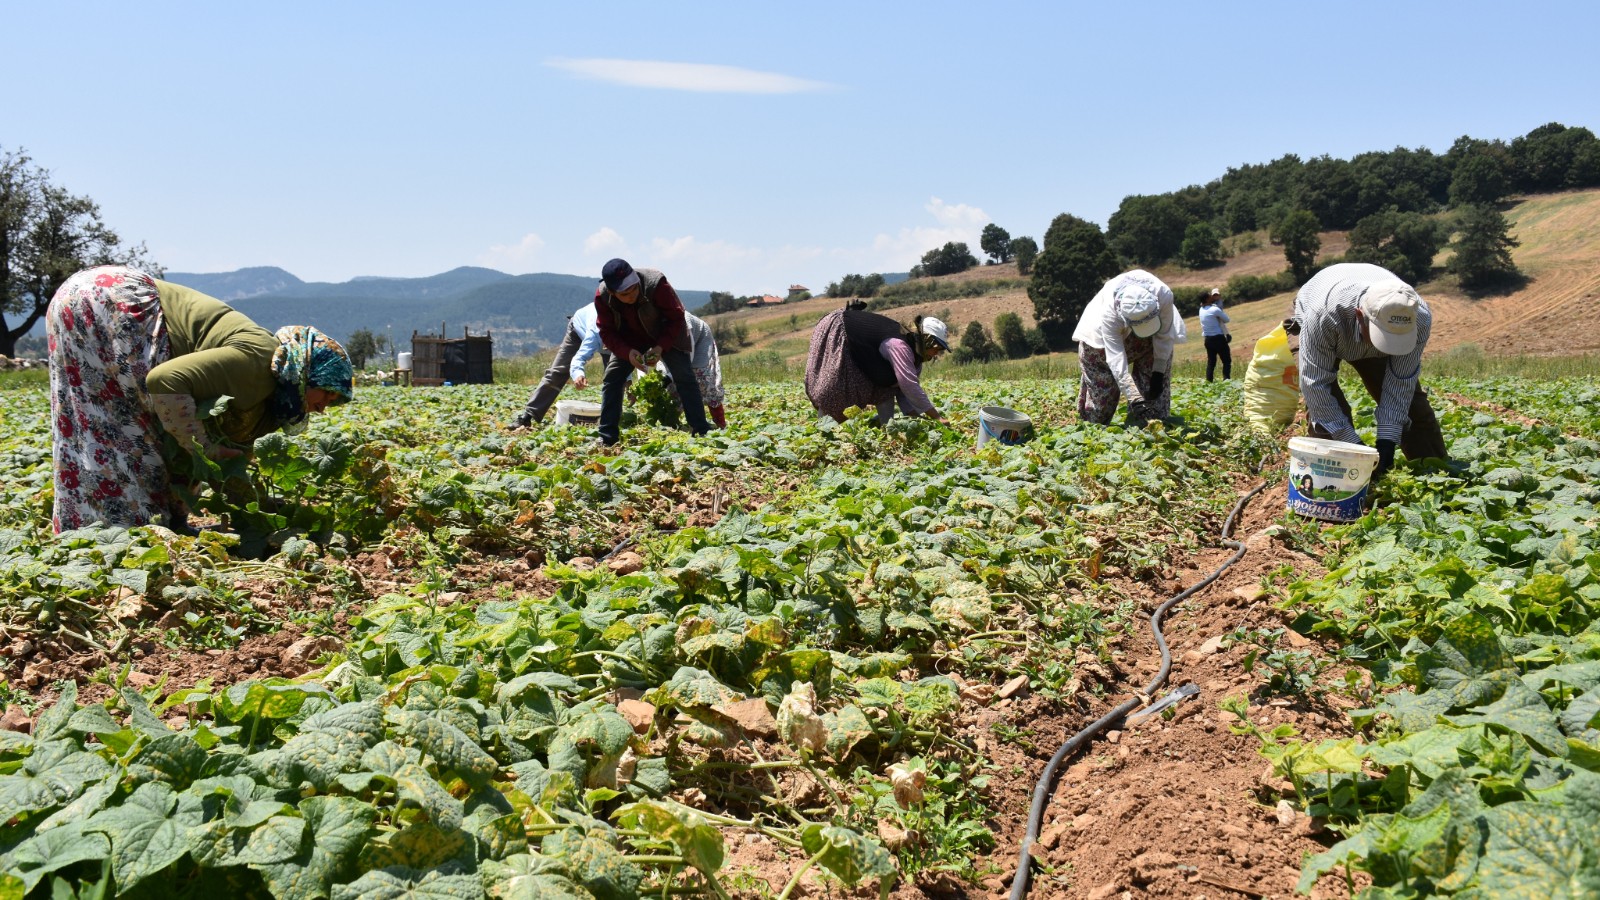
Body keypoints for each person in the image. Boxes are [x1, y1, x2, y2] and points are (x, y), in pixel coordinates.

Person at [47, 265, 352, 532]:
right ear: (308, 374)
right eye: (326, 392)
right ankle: (117, 538)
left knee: (108, 427)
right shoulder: (259, 360)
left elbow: (223, 465)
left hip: (89, 297)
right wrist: (205, 448)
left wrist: (261, 510)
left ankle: (109, 533)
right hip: (114, 303)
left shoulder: (270, 399)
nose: (324, 407)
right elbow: (165, 382)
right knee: (127, 434)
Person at [1288, 262, 1447, 478]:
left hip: (1355, 323)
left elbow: (1401, 382)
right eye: (1383, 337)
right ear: (1360, 316)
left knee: (1413, 407)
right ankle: (1332, 490)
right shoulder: (1322, 315)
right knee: (1327, 419)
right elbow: (1316, 386)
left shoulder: (1418, 317)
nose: (1385, 346)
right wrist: (1354, 447)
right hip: (1317, 322)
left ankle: (1435, 476)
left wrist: (1386, 443)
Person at [593, 258, 710, 445]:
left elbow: (676, 317)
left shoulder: (656, 284)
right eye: (624, 293)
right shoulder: (602, 296)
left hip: (666, 332)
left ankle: (701, 430)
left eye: (634, 288)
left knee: (684, 377)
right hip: (629, 339)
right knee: (612, 378)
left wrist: (660, 346)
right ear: (613, 293)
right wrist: (626, 352)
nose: (631, 295)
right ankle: (607, 436)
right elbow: (606, 331)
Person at [1072, 270, 1184, 426]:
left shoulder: (1163, 294)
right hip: (1101, 345)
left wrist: (1158, 372)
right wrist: (1133, 397)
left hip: (1150, 342)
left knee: (1153, 393)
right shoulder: (1109, 315)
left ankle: (1148, 427)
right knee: (1102, 400)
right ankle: (1094, 430)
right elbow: (1116, 358)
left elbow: (1164, 335)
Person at [804, 305, 948, 424]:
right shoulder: (899, 346)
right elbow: (909, 386)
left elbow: (904, 393)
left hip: (864, 353)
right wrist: (936, 417)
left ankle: (887, 430)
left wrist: (922, 421)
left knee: (887, 385)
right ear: (927, 341)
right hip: (840, 330)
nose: (937, 353)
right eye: (937, 348)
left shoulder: (916, 360)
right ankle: (823, 431)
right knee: (835, 388)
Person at [511, 302, 606, 428]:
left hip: (607, 338)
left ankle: (610, 419)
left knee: (615, 376)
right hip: (578, 329)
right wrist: (578, 374)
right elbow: (579, 358)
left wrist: (627, 381)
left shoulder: (625, 335)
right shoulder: (595, 332)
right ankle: (527, 416)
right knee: (558, 371)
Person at [1199, 288, 1233, 381]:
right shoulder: (1214, 309)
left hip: (1208, 339)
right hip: (1218, 338)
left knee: (1211, 362)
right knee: (1226, 361)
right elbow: (1227, 319)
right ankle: (1226, 380)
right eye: (1209, 295)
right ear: (1206, 299)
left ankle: (1209, 381)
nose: (1211, 296)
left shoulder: (1201, 310)